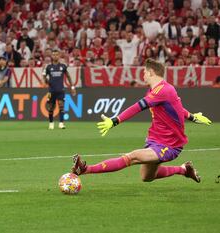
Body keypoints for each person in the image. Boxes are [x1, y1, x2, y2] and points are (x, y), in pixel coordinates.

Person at [71, 58, 212, 183]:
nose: (143, 75)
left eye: (144, 72)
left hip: (170, 144)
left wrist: (115, 121)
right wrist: (193, 117)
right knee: (147, 177)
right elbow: (178, 108)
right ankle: (184, 170)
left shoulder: (163, 90)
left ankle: (85, 169)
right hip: (156, 139)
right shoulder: (156, 91)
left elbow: (138, 106)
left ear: (151, 72)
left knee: (132, 157)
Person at [42, 49, 76, 130]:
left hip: (60, 90)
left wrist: (72, 87)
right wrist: (46, 80)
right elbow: (44, 77)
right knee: (50, 107)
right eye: (53, 55)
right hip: (51, 90)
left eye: (57, 54)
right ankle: (51, 123)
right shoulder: (48, 67)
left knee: (61, 106)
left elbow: (68, 76)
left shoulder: (63, 66)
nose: (55, 56)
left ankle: (61, 123)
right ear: (51, 56)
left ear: (59, 56)